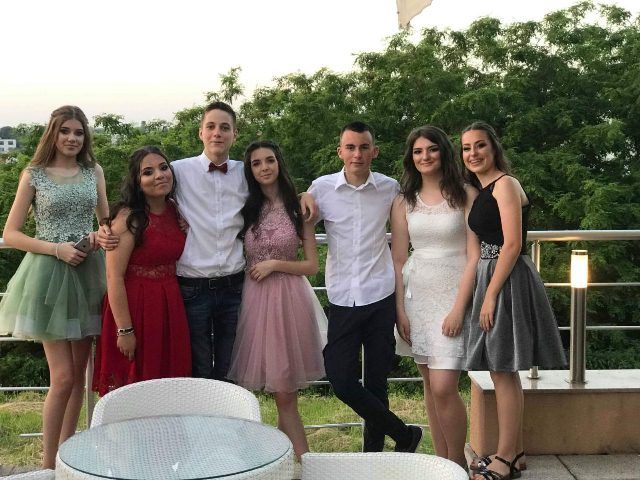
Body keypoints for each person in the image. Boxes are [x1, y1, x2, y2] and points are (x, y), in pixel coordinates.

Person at [99, 101, 314, 381]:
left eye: (225, 127)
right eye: (211, 127)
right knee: (196, 371)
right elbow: (143, 198)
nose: (217, 133)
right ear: (200, 132)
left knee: (230, 371)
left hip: (234, 286)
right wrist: (103, 230)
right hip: (191, 288)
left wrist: (305, 196)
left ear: (235, 134)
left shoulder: (246, 173)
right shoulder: (176, 171)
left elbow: (275, 191)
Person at [0, 106, 108, 468]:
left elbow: (106, 223)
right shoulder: (34, 174)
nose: (72, 138)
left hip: (88, 273)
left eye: (78, 132)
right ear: (53, 134)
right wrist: (56, 249)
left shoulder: (94, 172)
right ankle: (47, 467)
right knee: (62, 377)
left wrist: (98, 236)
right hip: (48, 276)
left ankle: (66, 458)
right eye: (65, 131)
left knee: (78, 377)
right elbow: (11, 234)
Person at [308, 121, 421, 453]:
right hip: (342, 297)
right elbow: (296, 219)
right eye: (350, 147)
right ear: (340, 152)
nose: (357, 154)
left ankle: (373, 456)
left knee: (376, 383)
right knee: (341, 379)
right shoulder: (321, 188)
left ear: (375, 151)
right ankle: (404, 434)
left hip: (380, 294)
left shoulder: (389, 188)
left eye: (363, 147)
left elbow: (405, 235)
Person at [461, 122, 566, 480]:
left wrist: (490, 295)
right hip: (491, 275)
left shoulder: (505, 184)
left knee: (503, 369)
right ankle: (515, 452)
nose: (473, 153)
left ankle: (505, 459)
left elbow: (513, 244)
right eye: (466, 148)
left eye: (480, 145)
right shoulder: (481, 189)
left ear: (493, 148)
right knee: (502, 369)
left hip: (505, 278)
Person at [228, 140, 325, 458]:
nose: (264, 167)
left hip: (288, 301)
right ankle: (286, 463)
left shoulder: (299, 208)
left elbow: (311, 266)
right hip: (255, 303)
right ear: (250, 170)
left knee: (285, 395)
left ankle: (306, 465)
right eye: (256, 163)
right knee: (280, 394)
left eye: (269, 160)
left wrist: (274, 265)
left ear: (279, 162)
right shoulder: (246, 209)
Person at [390, 126, 479, 468]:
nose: (425, 156)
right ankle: (442, 463)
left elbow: (474, 256)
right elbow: (399, 259)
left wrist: (459, 309)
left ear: (443, 151)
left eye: (431, 149)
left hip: (453, 295)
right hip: (417, 297)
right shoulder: (404, 201)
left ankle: (458, 464)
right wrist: (400, 310)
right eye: (417, 151)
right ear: (411, 158)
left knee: (444, 386)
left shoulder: (465, 194)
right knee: (429, 384)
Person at [93, 146, 191, 395]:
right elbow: (114, 277)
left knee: (167, 386)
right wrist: (125, 330)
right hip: (134, 306)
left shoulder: (175, 210)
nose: (159, 175)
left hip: (170, 304)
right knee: (133, 388)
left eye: (163, 168)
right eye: (148, 172)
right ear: (137, 181)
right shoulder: (128, 218)